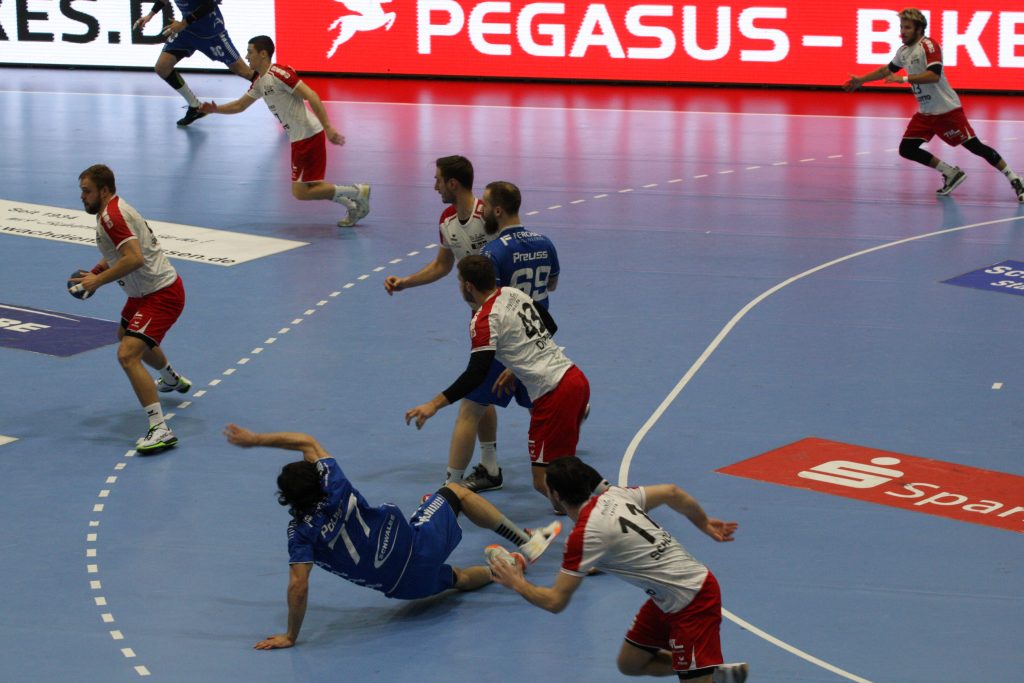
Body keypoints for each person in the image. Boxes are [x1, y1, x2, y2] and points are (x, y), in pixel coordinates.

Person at [223, 423, 561, 650]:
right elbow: (305, 442)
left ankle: (506, 567)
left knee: (457, 578)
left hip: (403, 587)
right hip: (417, 542)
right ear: (316, 478)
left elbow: (298, 586)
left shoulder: (300, 535)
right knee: (455, 492)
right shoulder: (333, 482)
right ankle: (526, 542)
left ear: (289, 500)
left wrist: (290, 635)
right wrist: (255, 440)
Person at [489, 457, 748, 683]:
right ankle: (704, 670)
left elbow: (555, 601)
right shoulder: (614, 496)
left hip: (693, 600)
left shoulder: (584, 536)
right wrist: (703, 523)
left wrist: (517, 583)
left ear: (555, 495)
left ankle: (701, 672)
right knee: (631, 663)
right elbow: (672, 492)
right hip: (668, 597)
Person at [406, 255, 589, 505]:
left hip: (553, 394)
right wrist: (514, 367)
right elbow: (550, 325)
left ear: (468, 286)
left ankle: (599, 510)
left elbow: (476, 374)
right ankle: (600, 499)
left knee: (544, 482)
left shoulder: (484, 319)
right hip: (575, 379)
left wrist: (433, 405)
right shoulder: (512, 293)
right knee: (563, 474)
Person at [384, 156, 508, 493]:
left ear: (453, 183)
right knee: (485, 390)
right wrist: (406, 283)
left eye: (438, 180)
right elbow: (442, 265)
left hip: (504, 315)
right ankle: (490, 465)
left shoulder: (488, 216)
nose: (434, 186)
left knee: (480, 392)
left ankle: (456, 485)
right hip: (479, 317)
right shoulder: (447, 221)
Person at [842, 8, 1024, 202]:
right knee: (907, 149)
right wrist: (861, 80)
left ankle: (1016, 179)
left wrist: (903, 79)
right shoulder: (904, 51)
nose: (902, 31)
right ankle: (951, 173)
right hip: (926, 112)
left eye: (907, 28)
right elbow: (886, 70)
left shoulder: (928, 45)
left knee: (975, 147)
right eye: (901, 27)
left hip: (947, 110)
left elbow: (934, 75)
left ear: (919, 29)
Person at [72, 165, 191, 454]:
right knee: (126, 335)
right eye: (81, 191)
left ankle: (160, 429)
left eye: (87, 191)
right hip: (142, 294)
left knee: (127, 354)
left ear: (104, 190)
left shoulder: (112, 216)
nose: (82, 196)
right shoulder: (110, 211)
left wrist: (98, 281)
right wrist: (97, 270)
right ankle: (171, 378)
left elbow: (135, 258)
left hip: (161, 294)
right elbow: (117, 252)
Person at [198, 36, 371, 227]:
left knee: (300, 192)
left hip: (307, 135)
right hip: (300, 137)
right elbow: (240, 105)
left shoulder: (279, 74)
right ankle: (353, 205)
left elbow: (311, 95)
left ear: (263, 54)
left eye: (250, 52)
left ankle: (357, 192)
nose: (246, 57)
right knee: (313, 186)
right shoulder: (260, 82)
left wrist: (328, 127)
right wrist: (215, 109)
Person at [134, 1, 256, 127]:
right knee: (162, 67)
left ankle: (270, 88)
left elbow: (208, 5)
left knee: (244, 72)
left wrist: (183, 24)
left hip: (211, 33)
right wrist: (150, 15)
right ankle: (195, 106)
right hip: (187, 31)